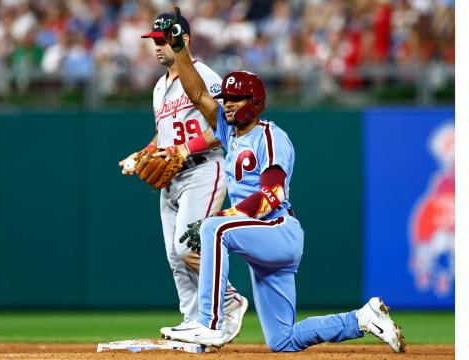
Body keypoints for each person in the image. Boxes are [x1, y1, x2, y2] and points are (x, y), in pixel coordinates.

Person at [158, 8, 406, 352]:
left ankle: (209, 323)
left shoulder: (270, 136)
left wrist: (226, 217)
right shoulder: (230, 135)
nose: (228, 105)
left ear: (255, 102)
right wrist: (179, 47)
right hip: (262, 240)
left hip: (278, 230)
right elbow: (199, 94)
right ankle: (363, 319)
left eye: (236, 98)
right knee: (283, 340)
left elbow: (272, 195)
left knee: (214, 227)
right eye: (226, 99)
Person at [118, 12, 248, 343]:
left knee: (188, 245)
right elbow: (163, 137)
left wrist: (184, 150)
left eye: (162, 40)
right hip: (173, 179)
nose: (157, 47)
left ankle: (229, 300)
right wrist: (142, 153)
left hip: (205, 168)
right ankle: (192, 323)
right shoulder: (159, 87)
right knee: (176, 258)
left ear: (182, 40)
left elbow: (225, 124)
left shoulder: (202, 73)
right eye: (154, 41)